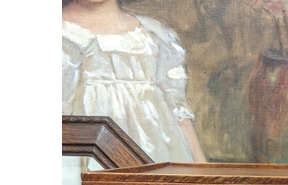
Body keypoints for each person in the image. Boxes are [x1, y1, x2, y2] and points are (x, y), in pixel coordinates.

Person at [62, 0, 206, 163]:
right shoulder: (63, 33)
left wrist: (203, 171)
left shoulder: (154, 35)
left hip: (160, 157)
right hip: (88, 160)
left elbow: (179, 113)